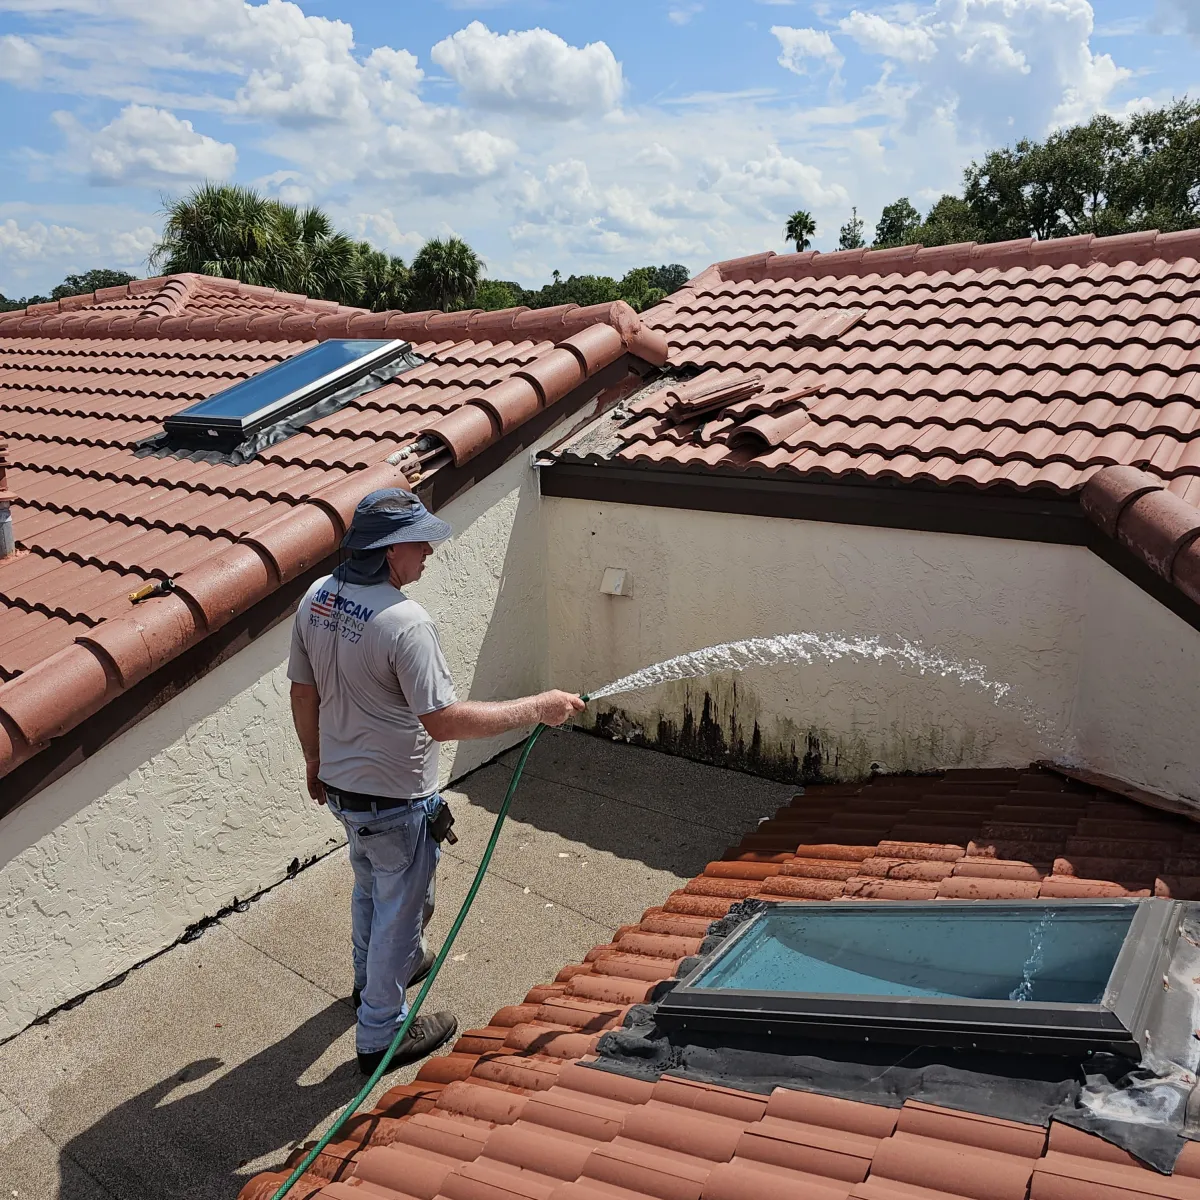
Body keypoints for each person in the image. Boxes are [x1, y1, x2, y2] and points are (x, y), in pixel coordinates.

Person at [287, 488, 584, 1075]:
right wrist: (538, 707)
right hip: (395, 798)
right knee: (401, 906)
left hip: (346, 792)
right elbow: (443, 721)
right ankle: (381, 1032)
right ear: (391, 550)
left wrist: (314, 762)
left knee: (372, 887)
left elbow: (304, 691)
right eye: (419, 541)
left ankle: (369, 979)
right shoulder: (405, 622)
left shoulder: (318, 598)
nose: (428, 551)